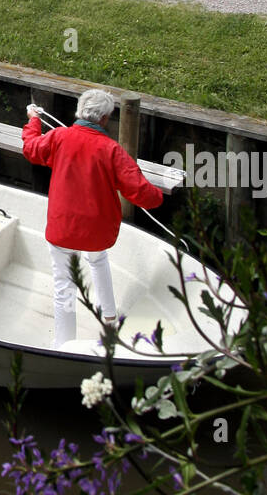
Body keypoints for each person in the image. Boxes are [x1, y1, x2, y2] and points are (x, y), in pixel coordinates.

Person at [22, 88, 164, 348]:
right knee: (98, 261)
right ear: (105, 118)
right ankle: (109, 321)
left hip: (63, 227)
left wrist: (33, 120)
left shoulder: (59, 137)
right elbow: (140, 191)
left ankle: (64, 343)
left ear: (80, 111)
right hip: (98, 231)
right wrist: (158, 196)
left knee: (64, 283)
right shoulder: (112, 150)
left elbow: (31, 149)